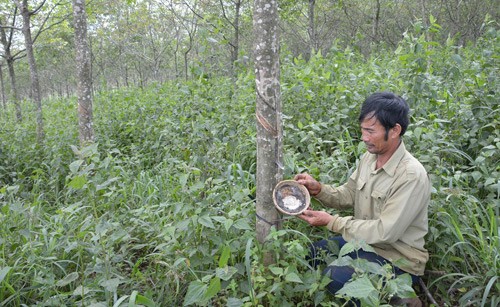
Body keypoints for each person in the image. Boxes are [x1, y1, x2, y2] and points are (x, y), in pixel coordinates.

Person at [294, 92, 431, 300]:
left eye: (370, 131)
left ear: (395, 130)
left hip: (397, 258)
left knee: (334, 278)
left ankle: (404, 299)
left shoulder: (411, 176)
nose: (364, 138)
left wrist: (332, 222)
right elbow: (349, 194)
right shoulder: (370, 157)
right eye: (362, 130)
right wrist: (319, 189)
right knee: (310, 254)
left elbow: (385, 232)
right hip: (363, 244)